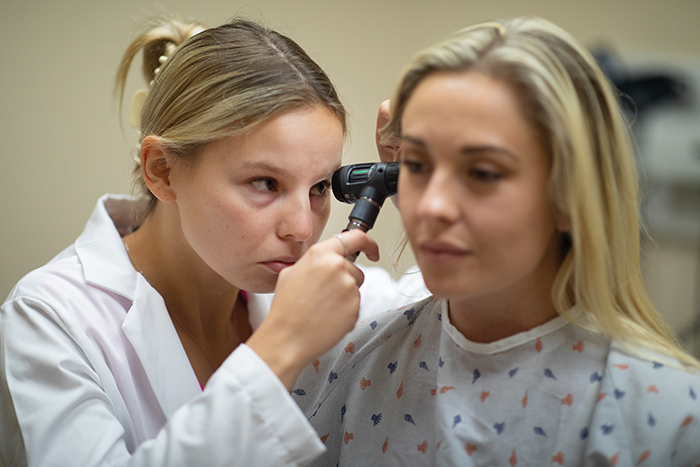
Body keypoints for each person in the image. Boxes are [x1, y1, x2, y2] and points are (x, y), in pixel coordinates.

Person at [0, 16, 425, 467]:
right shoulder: (49, 319)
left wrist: (427, 191)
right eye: (265, 182)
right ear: (162, 170)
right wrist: (277, 349)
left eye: (320, 187)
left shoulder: (324, 298)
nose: (302, 228)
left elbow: (474, 311)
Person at [292, 16, 700, 466]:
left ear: (569, 198)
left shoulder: (665, 417)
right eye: (419, 166)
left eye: (482, 173)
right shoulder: (344, 365)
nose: (431, 207)